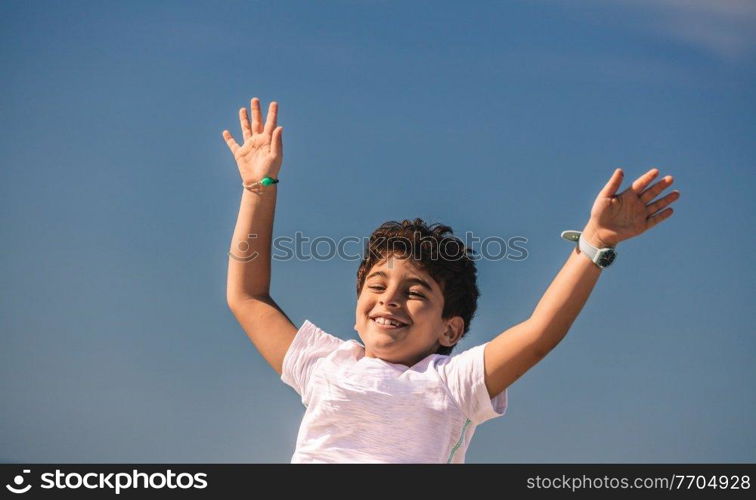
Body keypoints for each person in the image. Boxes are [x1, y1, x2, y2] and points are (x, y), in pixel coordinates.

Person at [222, 97, 681, 463]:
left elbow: (540, 334)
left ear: (450, 329)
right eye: (378, 286)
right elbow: (247, 296)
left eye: (415, 291)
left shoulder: (451, 383)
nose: (390, 300)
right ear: (359, 309)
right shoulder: (326, 366)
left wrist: (594, 242)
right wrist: (257, 188)